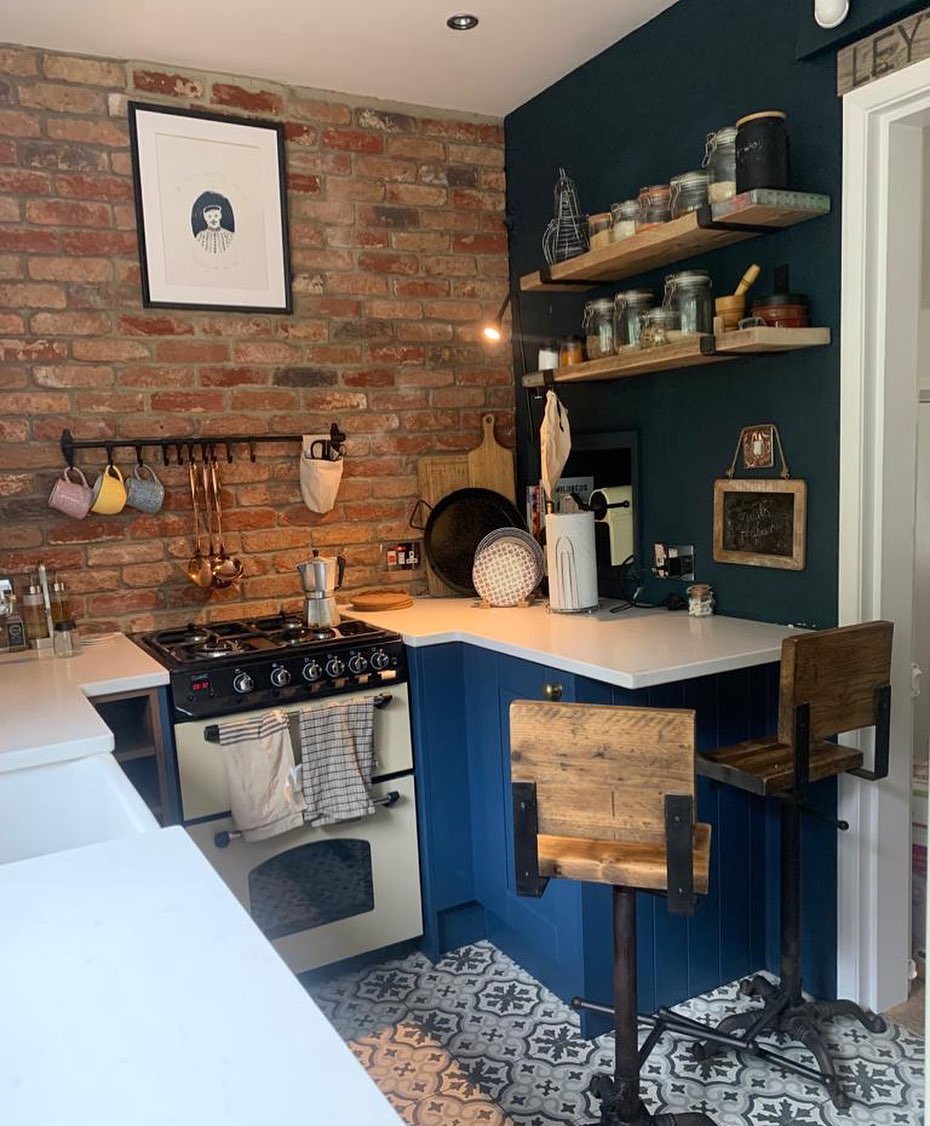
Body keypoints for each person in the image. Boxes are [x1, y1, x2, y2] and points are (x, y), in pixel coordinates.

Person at [191, 190, 235, 256]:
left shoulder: (229, 236)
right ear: (205, 218)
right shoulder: (200, 237)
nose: (213, 219)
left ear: (220, 216)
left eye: (216, 216)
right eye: (209, 216)